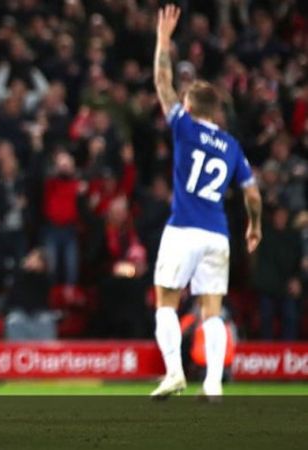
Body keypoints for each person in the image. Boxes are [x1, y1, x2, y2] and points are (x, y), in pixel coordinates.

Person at [149, 5, 262, 400]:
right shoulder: (232, 146)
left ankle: (175, 374)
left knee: (165, 299)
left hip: (183, 228)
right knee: (212, 310)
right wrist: (255, 226)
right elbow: (251, 191)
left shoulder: (184, 125)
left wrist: (163, 40)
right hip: (219, 234)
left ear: (192, 107)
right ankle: (213, 382)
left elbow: (162, 82)